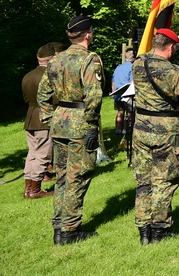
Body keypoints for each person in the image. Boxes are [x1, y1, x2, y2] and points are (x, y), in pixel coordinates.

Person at [36, 16, 103, 244]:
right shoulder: (89, 60)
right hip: (80, 122)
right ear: (88, 34)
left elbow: (42, 93)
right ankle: (69, 230)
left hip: (60, 122)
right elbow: (94, 96)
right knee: (78, 176)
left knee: (63, 177)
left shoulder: (56, 60)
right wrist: (92, 125)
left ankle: (59, 226)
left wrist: (48, 117)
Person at [132, 28, 179, 244]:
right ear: (170, 48)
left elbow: (152, 53)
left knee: (143, 180)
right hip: (165, 130)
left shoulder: (138, 64)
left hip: (140, 128)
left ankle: (143, 229)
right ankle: (160, 229)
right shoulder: (174, 72)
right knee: (164, 180)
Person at [22, 42, 62, 200]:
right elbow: (56, 99)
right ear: (52, 58)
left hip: (30, 117)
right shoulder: (49, 75)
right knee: (43, 154)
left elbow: (26, 99)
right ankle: (35, 189)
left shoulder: (28, 76)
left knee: (32, 154)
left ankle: (28, 188)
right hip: (44, 118)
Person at [112, 50, 135, 136]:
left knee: (120, 112)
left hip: (117, 93)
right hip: (127, 93)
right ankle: (126, 130)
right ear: (133, 58)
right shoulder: (132, 67)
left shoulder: (118, 67)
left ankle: (118, 130)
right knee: (129, 113)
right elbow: (132, 81)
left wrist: (114, 93)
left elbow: (113, 81)